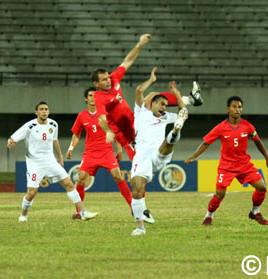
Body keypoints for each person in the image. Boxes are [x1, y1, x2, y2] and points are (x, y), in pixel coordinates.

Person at [91, 34, 203, 161]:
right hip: (126, 134)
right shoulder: (99, 97)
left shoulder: (113, 79)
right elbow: (101, 119)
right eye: (104, 80)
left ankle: (192, 99)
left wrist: (139, 45)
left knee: (152, 96)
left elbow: (127, 61)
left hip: (135, 120)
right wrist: (108, 131)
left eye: (107, 77)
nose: (108, 81)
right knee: (140, 167)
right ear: (96, 84)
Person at [185, 96, 268, 226]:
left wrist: (267, 157)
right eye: (234, 107)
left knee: (262, 188)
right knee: (220, 194)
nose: (237, 110)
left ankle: (255, 212)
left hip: (244, 165)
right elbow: (206, 143)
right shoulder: (221, 127)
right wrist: (194, 156)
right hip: (226, 166)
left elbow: (258, 141)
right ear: (228, 109)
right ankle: (209, 215)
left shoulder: (248, 126)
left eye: (239, 107)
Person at [7, 102, 98, 222]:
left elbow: (55, 141)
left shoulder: (53, 124)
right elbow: (13, 138)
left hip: (50, 160)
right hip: (34, 162)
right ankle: (23, 215)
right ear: (36, 112)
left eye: (46, 109)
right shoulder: (30, 126)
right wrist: (11, 142)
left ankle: (83, 212)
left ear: (48, 112)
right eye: (41, 109)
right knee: (32, 192)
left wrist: (60, 157)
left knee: (69, 183)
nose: (44, 111)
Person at [130, 67, 188, 236]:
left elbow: (183, 112)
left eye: (166, 105)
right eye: (161, 103)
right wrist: (151, 80)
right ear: (153, 104)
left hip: (158, 154)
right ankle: (140, 227)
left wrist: (176, 94)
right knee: (137, 190)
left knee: (169, 141)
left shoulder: (167, 117)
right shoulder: (141, 112)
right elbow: (139, 90)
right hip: (141, 157)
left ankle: (175, 132)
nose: (164, 107)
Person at [66, 87, 134, 220]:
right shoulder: (82, 116)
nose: (93, 98)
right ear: (86, 98)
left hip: (106, 151)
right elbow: (76, 134)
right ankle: (80, 212)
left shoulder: (106, 114)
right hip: (90, 152)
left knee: (117, 176)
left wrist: (119, 149)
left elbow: (115, 131)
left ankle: (134, 206)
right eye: (90, 95)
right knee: (81, 177)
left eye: (95, 96)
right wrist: (71, 147)